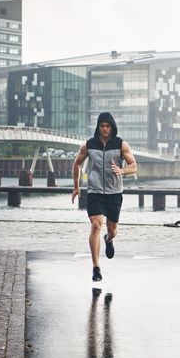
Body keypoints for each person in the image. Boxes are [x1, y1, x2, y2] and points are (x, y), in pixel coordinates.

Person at [72, 112, 137, 281]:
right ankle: (96, 268)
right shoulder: (89, 145)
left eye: (107, 126)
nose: (104, 129)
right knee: (95, 225)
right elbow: (77, 163)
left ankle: (108, 240)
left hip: (114, 192)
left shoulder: (121, 145)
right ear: (98, 127)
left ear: (112, 127)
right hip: (95, 192)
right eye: (102, 126)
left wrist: (122, 171)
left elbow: (134, 166)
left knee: (112, 230)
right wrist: (76, 187)